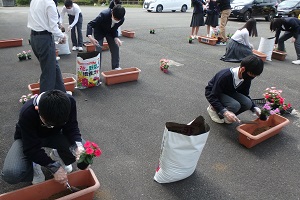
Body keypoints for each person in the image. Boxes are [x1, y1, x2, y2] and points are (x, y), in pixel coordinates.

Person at [1, 90, 84, 185]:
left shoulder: (69, 102)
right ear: (37, 109)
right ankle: (33, 164)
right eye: (48, 124)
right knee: (11, 174)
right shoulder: (27, 112)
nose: (51, 126)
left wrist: (79, 147)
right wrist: (54, 167)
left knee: (81, 146)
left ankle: (58, 155)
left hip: (54, 135)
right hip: (28, 139)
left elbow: (72, 127)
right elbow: (31, 148)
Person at [205, 55, 264, 124]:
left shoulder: (246, 77)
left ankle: (229, 116)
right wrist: (225, 112)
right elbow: (212, 95)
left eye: (254, 76)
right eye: (251, 75)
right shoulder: (225, 76)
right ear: (243, 69)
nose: (252, 78)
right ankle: (213, 109)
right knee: (235, 105)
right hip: (214, 92)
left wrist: (254, 108)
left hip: (228, 91)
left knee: (248, 103)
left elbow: (244, 93)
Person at [27, 0, 66, 93]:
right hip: (44, 39)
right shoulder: (49, 3)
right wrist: (62, 36)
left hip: (34, 38)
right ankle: (44, 103)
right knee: (48, 74)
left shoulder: (34, 0)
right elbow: (53, 27)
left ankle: (62, 94)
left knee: (54, 67)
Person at [86, 5, 125, 70]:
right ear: (112, 12)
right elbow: (90, 24)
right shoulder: (104, 14)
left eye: (118, 20)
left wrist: (116, 37)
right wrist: (90, 37)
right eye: (115, 18)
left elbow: (115, 28)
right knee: (98, 49)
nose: (116, 20)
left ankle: (116, 66)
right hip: (99, 31)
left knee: (115, 47)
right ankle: (96, 69)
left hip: (110, 32)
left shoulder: (121, 19)